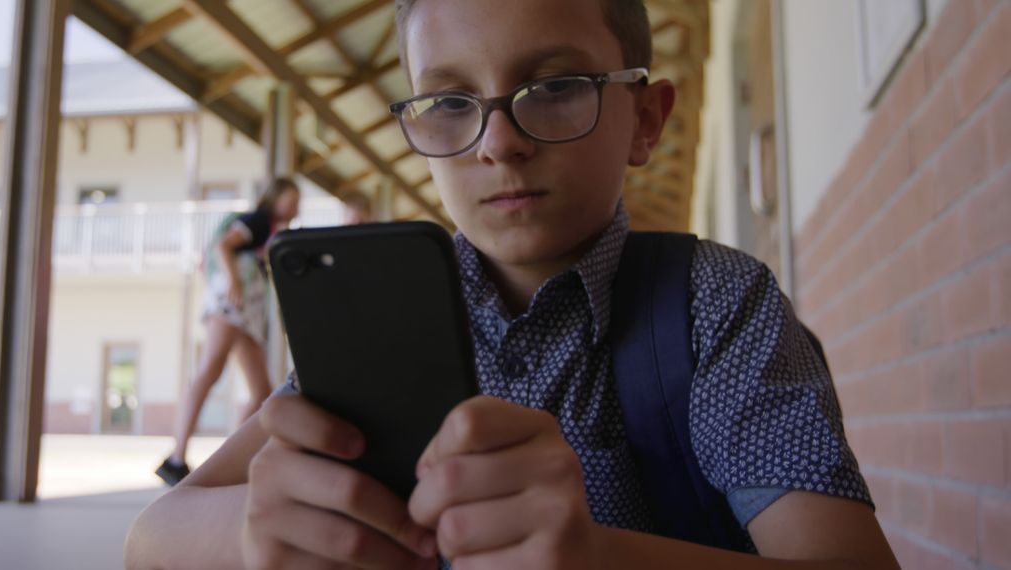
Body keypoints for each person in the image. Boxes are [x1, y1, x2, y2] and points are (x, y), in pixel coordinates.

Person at [128, 0, 901, 568]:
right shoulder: (387, 325)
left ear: (646, 118)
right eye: (451, 101)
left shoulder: (716, 306)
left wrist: (596, 557)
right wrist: (257, 527)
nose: (499, 143)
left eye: (557, 86)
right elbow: (150, 537)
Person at [154, 177, 300, 486]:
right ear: (275, 199)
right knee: (209, 370)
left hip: (247, 315)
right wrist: (233, 281)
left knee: (261, 391)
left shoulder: (273, 231)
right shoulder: (259, 221)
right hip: (231, 305)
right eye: (291, 199)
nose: (296, 206)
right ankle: (176, 458)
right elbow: (224, 246)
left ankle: (228, 462)